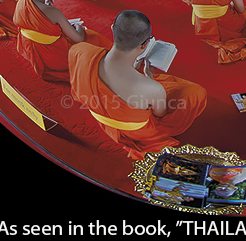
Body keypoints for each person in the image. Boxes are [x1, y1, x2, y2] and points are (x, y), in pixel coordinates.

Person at [68, 10, 207, 160]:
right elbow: (161, 115)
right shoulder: (152, 89)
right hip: (139, 130)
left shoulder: (79, 51)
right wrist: (149, 78)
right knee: (196, 93)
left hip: (101, 114)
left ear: (112, 29)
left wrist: (134, 69)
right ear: (145, 45)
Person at [13, 0, 108, 82]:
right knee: (94, 38)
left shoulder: (21, 2)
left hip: (28, 49)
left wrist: (48, 7)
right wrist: (79, 27)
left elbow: (37, 23)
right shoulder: (54, 13)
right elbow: (79, 39)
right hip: (56, 58)